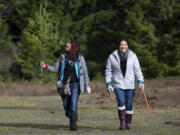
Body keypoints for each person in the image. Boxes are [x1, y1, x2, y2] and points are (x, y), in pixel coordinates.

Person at [41, 39, 91, 131]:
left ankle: (73, 125)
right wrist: (46, 66)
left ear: (74, 46)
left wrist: (87, 85)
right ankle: (73, 116)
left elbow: (85, 73)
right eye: (67, 43)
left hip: (76, 85)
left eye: (69, 43)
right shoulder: (62, 57)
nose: (67, 44)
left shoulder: (80, 58)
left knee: (73, 105)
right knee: (66, 106)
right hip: (63, 85)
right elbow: (55, 69)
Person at [105, 39, 144, 130]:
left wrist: (140, 81)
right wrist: (108, 83)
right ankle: (122, 122)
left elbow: (137, 70)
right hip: (118, 84)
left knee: (129, 105)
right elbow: (108, 71)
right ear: (118, 46)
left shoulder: (133, 56)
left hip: (130, 85)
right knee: (121, 102)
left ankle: (128, 123)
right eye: (121, 44)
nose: (123, 46)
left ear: (127, 46)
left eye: (125, 45)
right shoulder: (112, 56)